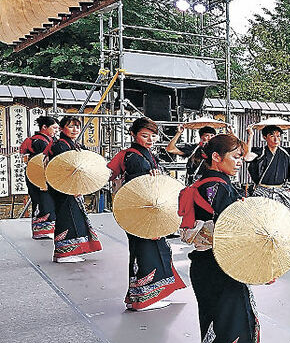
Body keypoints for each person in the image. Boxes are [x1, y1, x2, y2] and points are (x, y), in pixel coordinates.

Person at [178, 133, 261, 343]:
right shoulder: (221, 188)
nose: (239, 163)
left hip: (204, 264)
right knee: (230, 315)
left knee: (216, 316)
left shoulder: (202, 184)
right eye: (235, 157)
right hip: (221, 263)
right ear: (216, 157)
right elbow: (233, 231)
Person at [108, 117, 186, 311]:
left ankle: (139, 297)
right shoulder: (134, 157)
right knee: (147, 251)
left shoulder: (143, 154)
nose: (150, 139)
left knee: (145, 250)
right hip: (143, 209)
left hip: (142, 210)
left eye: (153, 136)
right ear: (133, 135)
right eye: (145, 135)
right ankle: (144, 298)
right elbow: (138, 186)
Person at [244, 123, 290, 251]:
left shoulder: (286, 151)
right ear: (265, 137)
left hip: (281, 191)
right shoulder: (260, 151)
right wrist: (250, 135)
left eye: (278, 136)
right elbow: (247, 157)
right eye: (272, 136)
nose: (276, 139)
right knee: (260, 222)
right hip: (263, 191)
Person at [46, 115, 103, 263]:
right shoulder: (60, 145)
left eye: (77, 126)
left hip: (72, 188)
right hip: (63, 188)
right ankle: (62, 254)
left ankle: (69, 251)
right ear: (62, 128)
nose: (75, 129)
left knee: (74, 218)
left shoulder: (75, 145)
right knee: (66, 218)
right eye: (71, 126)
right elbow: (61, 169)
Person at [19, 115, 58, 239]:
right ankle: (43, 231)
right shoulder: (40, 142)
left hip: (39, 175)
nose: (56, 131)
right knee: (43, 201)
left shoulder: (42, 140)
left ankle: (42, 231)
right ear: (44, 127)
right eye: (54, 128)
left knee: (42, 201)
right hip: (38, 176)